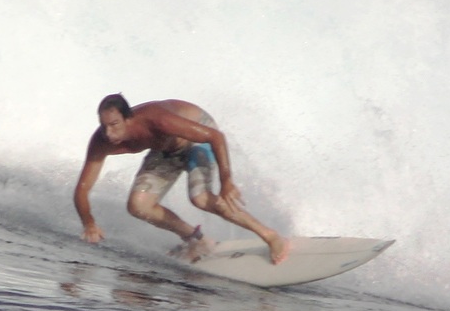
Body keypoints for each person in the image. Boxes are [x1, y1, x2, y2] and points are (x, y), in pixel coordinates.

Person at [73, 93, 290, 264]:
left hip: (197, 137)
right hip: (165, 149)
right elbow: (82, 189)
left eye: (114, 125)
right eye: (104, 126)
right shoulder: (101, 142)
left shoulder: (157, 120)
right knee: (138, 206)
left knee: (201, 198)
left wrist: (226, 181)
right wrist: (89, 223)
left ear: (128, 119)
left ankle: (271, 236)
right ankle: (197, 241)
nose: (108, 133)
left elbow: (215, 137)